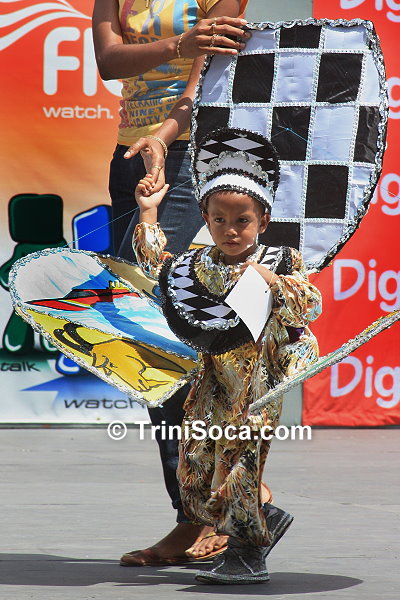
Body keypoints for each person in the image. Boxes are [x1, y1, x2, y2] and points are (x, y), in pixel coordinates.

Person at [92, 0, 250, 565]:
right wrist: (180, 44)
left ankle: (223, 497)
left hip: (191, 152)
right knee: (148, 342)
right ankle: (203, 505)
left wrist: (164, 135)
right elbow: (109, 61)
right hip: (131, 154)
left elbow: (209, 76)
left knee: (165, 326)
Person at [132, 127, 322, 584]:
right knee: (195, 473)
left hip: (257, 389)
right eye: (219, 220)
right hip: (210, 386)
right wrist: (149, 211)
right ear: (206, 218)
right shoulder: (195, 265)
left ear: (263, 220)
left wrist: (275, 283)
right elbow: (155, 267)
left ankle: (245, 557)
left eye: (242, 220)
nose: (231, 230)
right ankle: (264, 518)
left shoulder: (280, 260)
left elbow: (308, 304)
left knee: (241, 466)